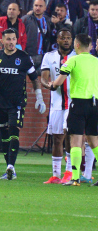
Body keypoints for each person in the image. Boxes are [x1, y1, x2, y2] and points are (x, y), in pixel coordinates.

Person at [0, 28, 44, 180]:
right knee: (4, 136)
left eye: (13, 39)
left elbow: (34, 79)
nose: (11, 42)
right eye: (8, 39)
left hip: (17, 102)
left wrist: (39, 97)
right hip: (0, 102)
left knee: (13, 130)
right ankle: (9, 169)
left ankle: (11, 166)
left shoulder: (23, 57)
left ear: (17, 40)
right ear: (2, 41)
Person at [49, 33, 98, 186]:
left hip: (78, 105)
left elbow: (58, 82)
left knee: (75, 140)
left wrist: (52, 85)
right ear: (90, 46)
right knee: (94, 142)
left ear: (76, 45)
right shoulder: (96, 61)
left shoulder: (72, 60)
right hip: (95, 105)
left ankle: (75, 178)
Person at [39, 28, 75, 184]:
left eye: (69, 38)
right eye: (63, 38)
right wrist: (48, 85)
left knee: (70, 136)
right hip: (56, 103)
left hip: (73, 103)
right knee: (57, 138)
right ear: (57, 40)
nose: (66, 40)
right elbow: (43, 78)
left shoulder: (76, 57)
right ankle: (55, 175)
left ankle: (69, 172)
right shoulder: (49, 56)